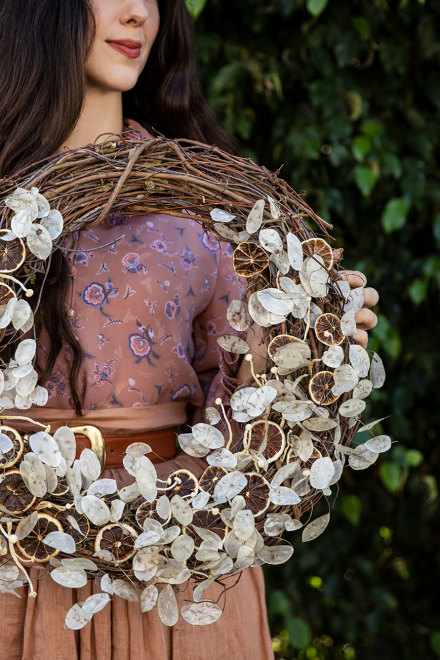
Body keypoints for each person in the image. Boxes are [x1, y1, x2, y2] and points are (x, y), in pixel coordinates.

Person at [0, 1, 379, 658]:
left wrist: (312, 349)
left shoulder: (205, 206)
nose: (136, 12)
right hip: (15, 578)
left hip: (174, 587)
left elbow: (263, 442)